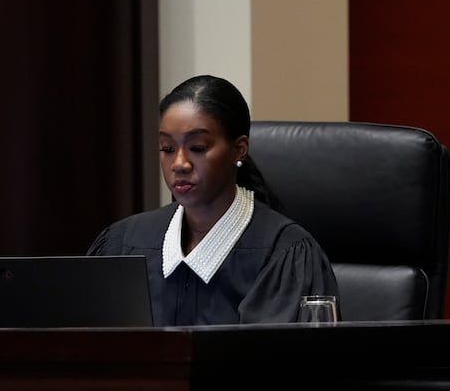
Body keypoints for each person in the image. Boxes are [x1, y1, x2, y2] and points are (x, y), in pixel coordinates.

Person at [87, 74, 339, 326]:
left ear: (239, 149)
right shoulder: (122, 244)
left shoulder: (285, 253)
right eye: (167, 149)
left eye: (197, 147)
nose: (179, 164)